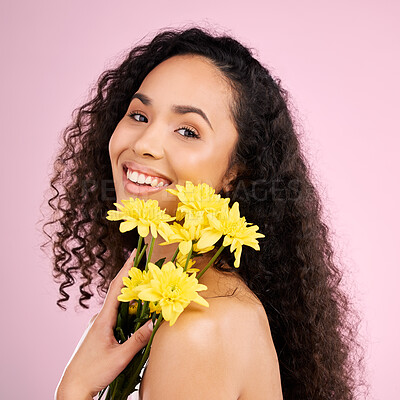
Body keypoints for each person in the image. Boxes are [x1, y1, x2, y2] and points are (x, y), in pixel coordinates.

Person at [45, 27, 362, 399]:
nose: (144, 145)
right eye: (139, 115)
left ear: (234, 172)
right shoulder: (153, 292)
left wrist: (74, 389)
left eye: (187, 131)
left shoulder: (198, 328)